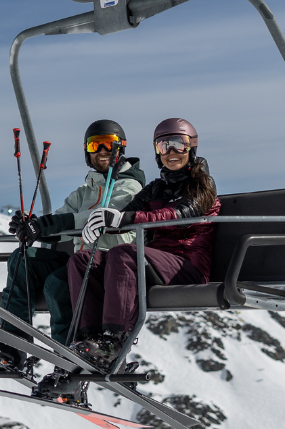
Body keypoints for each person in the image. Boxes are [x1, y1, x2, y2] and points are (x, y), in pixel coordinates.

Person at [0, 119, 145, 367]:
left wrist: (49, 225)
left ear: (121, 148)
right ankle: (12, 344)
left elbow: (100, 220)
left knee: (57, 281)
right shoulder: (85, 191)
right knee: (22, 259)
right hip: (79, 259)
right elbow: (61, 225)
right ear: (86, 151)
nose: (102, 151)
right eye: (95, 146)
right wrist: (32, 228)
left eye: (109, 144)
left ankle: (68, 360)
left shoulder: (130, 187)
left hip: (107, 264)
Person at [65, 117, 220, 370]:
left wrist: (125, 218)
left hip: (187, 266)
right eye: (163, 146)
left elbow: (177, 217)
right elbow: (126, 213)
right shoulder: (155, 188)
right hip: (154, 265)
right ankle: (88, 340)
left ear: (191, 147)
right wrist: (104, 222)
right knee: (83, 259)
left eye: (178, 145)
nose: (171, 152)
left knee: (125, 254)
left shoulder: (202, 186)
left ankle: (114, 343)